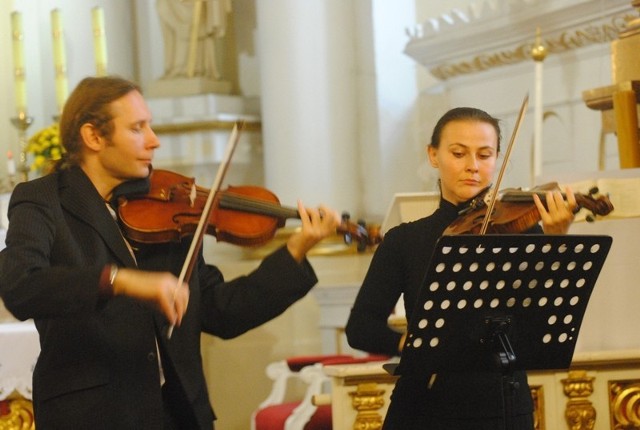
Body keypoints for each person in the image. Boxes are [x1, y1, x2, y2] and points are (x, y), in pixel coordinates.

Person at [0, 76, 340, 429]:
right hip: (95, 416)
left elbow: (221, 311)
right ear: (94, 137)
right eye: (137, 128)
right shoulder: (43, 200)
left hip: (177, 416)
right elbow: (21, 285)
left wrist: (297, 250)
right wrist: (122, 280)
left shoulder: (168, 208)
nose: (154, 140)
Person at [345, 107, 577, 430]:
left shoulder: (524, 231)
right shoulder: (404, 240)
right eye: (458, 153)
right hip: (424, 408)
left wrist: (556, 240)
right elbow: (360, 327)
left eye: (485, 155)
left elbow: (543, 312)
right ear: (433, 155)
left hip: (505, 408)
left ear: (498, 159)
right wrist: (411, 342)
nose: (472, 166)